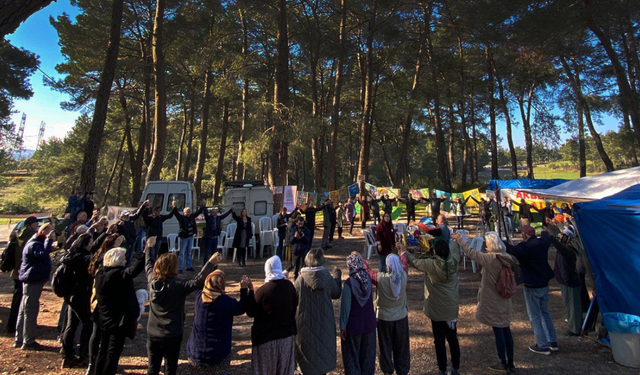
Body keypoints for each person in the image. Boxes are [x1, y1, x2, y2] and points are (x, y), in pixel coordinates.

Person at [145, 237, 222, 375]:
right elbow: (197, 281)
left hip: (153, 332)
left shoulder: (152, 280)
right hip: (172, 333)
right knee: (170, 368)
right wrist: (210, 263)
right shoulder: (177, 285)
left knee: (152, 368)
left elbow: (148, 264)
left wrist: (150, 248)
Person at [453, 232, 519, 373]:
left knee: (498, 330)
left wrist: (459, 239)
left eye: (487, 243)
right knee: (506, 329)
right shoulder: (506, 257)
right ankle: (511, 362)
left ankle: (502, 361)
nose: (486, 246)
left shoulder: (490, 259)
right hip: (505, 298)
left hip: (493, 298)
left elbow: (471, 252)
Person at [402, 238, 461, 375]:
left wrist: (403, 251)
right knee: (453, 338)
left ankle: (442, 369)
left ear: (436, 251)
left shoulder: (432, 264)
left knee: (439, 340)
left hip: (437, 309)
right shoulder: (454, 261)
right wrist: (455, 239)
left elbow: (415, 262)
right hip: (450, 308)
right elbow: (455, 249)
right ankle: (456, 368)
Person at [93, 245, 146, 375]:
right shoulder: (116, 275)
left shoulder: (101, 273)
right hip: (117, 321)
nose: (125, 261)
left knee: (103, 350)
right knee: (113, 352)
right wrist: (144, 253)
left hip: (104, 318)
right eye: (123, 259)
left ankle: (98, 372)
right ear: (116, 260)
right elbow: (133, 271)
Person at [505, 225, 558, 355]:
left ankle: (542, 345)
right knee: (544, 312)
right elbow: (546, 237)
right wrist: (545, 231)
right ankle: (552, 341)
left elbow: (512, 250)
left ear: (524, 236)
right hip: (544, 282)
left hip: (531, 284)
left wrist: (501, 241)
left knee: (534, 316)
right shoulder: (542, 243)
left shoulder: (525, 247)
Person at [187, 270, 251, 369]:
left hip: (196, 352)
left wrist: (211, 263)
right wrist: (243, 289)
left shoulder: (199, 297)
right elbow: (241, 308)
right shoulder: (225, 302)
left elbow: (199, 279)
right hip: (217, 355)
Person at [246, 256, 297, 375]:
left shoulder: (263, 291)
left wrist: (250, 292)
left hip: (266, 340)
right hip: (286, 337)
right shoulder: (289, 286)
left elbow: (251, 312)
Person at [294, 249, 342, 375]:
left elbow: (293, 297)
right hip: (324, 322)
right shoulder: (326, 277)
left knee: (307, 358)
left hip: (305, 322)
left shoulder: (301, 279)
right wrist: (337, 274)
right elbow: (336, 293)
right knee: (322, 355)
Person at [362, 253, 410, 375]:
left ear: (388, 266)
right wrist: (402, 252)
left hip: (384, 318)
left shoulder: (381, 279)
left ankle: (387, 370)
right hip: (401, 317)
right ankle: (402, 370)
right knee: (402, 347)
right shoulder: (403, 276)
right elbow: (404, 264)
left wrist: (361, 260)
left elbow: (368, 272)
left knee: (385, 346)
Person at [86, 234, 125, 375]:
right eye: (119, 242)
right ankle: (93, 362)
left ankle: (96, 364)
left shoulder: (107, 259)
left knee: (100, 336)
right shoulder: (104, 261)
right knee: (98, 335)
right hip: (100, 302)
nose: (121, 244)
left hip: (101, 301)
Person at [15, 222, 56, 350]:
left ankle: (20, 338)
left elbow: (42, 253)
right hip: (32, 280)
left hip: (32, 279)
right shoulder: (34, 244)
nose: (53, 235)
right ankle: (28, 341)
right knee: (30, 310)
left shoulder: (36, 242)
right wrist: (49, 241)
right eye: (51, 232)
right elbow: (41, 254)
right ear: (44, 232)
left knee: (24, 309)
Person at [61, 232, 94, 369]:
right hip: (81, 296)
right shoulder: (85, 259)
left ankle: (67, 356)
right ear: (85, 244)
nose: (92, 244)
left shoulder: (70, 256)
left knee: (71, 325)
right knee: (88, 324)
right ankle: (83, 355)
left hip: (69, 295)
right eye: (91, 242)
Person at [340, 253, 376, 375]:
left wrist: (343, 325)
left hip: (354, 326)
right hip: (369, 325)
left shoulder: (349, 284)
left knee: (352, 360)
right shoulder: (368, 280)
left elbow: (345, 307)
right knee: (367, 360)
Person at [547, 220, 582, 336]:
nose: (561, 238)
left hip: (570, 281)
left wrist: (550, 236)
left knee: (573, 306)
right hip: (566, 280)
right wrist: (552, 226)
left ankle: (575, 328)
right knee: (569, 304)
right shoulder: (568, 247)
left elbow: (559, 245)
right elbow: (558, 239)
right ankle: (573, 325)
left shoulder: (569, 250)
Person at [7, 216, 39, 334]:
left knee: (17, 299)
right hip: (23, 270)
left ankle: (12, 325)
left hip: (16, 270)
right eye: (36, 223)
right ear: (31, 224)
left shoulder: (19, 232)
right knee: (23, 301)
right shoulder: (30, 235)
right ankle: (20, 327)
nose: (37, 225)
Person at [174, 204, 204, 273]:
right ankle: (180, 268)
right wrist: (174, 207)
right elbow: (176, 214)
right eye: (187, 212)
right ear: (184, 213)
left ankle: (189, 266)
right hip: (184, 237)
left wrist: (202, 206)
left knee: (189, 252)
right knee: (182, 253)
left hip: (190, 237)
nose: (188, 213)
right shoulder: (181, 218)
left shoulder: (192, 217)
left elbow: (198, 212)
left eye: (189, 212)